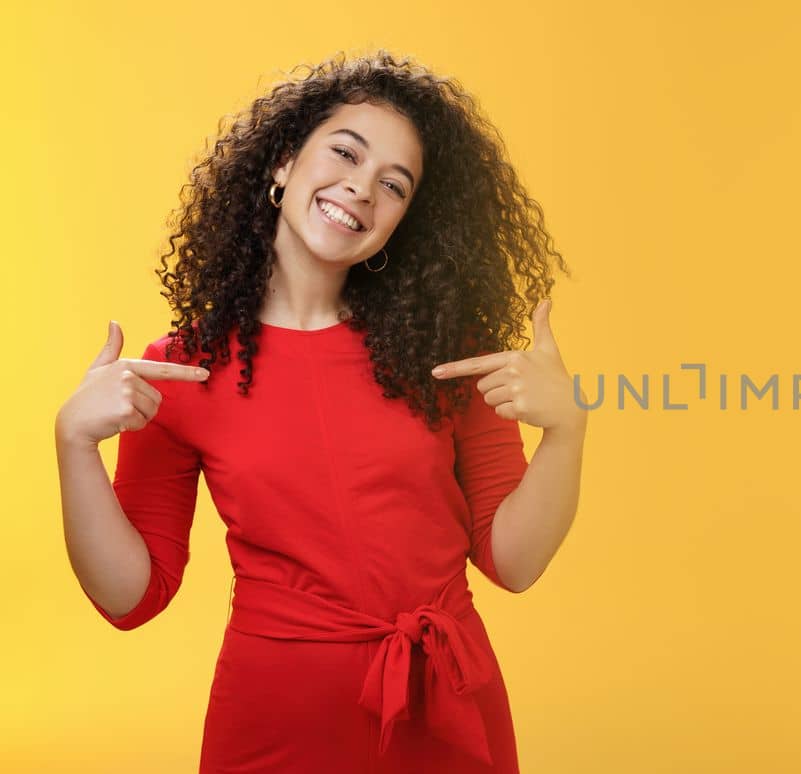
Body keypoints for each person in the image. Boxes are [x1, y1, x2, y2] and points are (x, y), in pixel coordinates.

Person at [53, 50, 587, 773]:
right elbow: (131, 596)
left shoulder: (447, 353)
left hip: (447, 704)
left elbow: (512, 563)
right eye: (345, 152)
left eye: (393, 185)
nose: (361, 189)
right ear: (281, 163)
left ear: (403, 221)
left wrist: (566, 430)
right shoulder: (180, 366)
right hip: (274, 719)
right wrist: (74, 444)